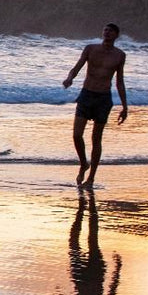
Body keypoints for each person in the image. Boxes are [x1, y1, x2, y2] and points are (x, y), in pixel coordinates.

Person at [61, 22, 128, 188]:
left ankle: (91, 178)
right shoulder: (90, 49)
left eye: (110, 31)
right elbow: (76, 68)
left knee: (96, 139)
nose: (107, 33)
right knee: (77, 135)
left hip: (103, 99)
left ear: (116, 35)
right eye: (105, 30)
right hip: (86, 95)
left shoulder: (119, 55)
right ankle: (84, 163)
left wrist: (125, 107)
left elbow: (120, 82)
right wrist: (70, 78)